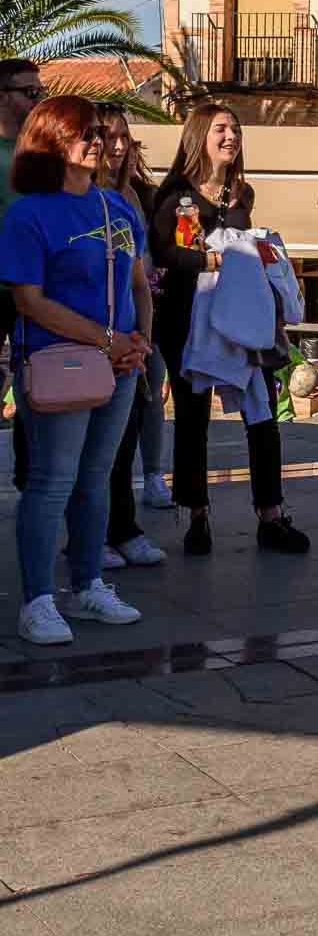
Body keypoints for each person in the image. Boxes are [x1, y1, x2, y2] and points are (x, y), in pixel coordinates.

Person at [2, 96, 151, 643]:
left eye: (99, 130)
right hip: (59, 361)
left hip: (121, 363)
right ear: (50, 142)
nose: (98, 140)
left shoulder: (118, 207)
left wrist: (141, 343)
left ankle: (88, 584)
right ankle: (38, 600)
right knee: (51, 481)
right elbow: (29, 301)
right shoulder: (28, 214)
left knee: (97, 477)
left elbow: (138, 283)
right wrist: (108, 341)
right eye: (83, 132)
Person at [150, 104, 310, 556]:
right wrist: (212, 259)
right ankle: (196, 516)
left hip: (242, 320)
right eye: (221, 128)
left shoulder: (242, 192)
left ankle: (271, 515)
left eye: (235, 129)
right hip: (188, 323)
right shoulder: (177, 195)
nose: (231, 135)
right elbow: (168, 254)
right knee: (193, 420)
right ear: (199, 135)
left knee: (262, 414)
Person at [98, 105, 169, 566]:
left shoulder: (131, 200)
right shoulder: (70, 200)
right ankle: (92, 538)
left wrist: (142, 337)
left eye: (125, 136)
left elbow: (140, 276)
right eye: (107, 135)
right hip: (88, 340)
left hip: (129, 337)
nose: (119, 145)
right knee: (92, 451)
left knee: (124, 438)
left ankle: (122, 528)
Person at [1, 58, 47, 492]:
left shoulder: (41, 159)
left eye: (41, 92)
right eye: (30, 93)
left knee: (37, 385)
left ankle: (29, 480)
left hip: (35, 291)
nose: (38, 101)